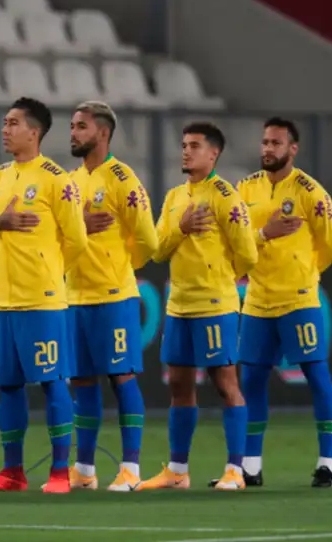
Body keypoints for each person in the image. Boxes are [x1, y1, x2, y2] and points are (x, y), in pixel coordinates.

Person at [0, 97, 88, 494]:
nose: (5, 130)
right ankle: (12, 472)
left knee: (52, 382)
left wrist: (48, 273)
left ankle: (59, 472)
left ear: (34, 132)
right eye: (4, 123)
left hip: (41, 300)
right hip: (1, 299)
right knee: (7, 385)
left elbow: (77, 240)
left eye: (13, 123)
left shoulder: (57, 179)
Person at [138, 122, 256, 491]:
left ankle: (235, 470)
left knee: (225, 383)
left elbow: (248, 254)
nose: (186, 151)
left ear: (213, 153)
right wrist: (182, 228)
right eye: (184, 145)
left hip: (215, 305)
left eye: (194, 146)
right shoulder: (175, 197)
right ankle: (177, 471)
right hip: (179, 305)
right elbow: (158, 250)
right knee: (179, 384)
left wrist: (219, 280)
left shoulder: (225, 196)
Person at [233, 117, 332, 487]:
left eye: (276, 143)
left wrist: (303, 274)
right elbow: (236, 240)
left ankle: (327, 464)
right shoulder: (245, 188)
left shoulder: (312, 192)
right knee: (252, 380)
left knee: (317, 375)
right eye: (265, 142)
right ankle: (251, 466)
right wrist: (265, 233)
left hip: (298, 301)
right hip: (258, 301)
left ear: (293, 149)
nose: (268, 148)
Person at [65, 101, 158, 491]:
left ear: (102, 133)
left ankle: (130, 468)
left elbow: (148, 240)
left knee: (122, 378)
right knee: (82, 382)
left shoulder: (123, 179)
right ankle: (84, 471)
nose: (73, 133)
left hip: (114, 297)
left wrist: (120, 266)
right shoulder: (70, 181)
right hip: (75, 297)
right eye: (72, 126)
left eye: (81, 126)